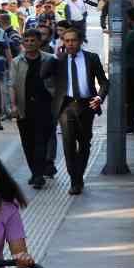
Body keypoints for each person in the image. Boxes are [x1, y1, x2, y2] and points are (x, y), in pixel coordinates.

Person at [48, 25, 107, 195]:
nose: (70, 44)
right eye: (67, 41)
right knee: (68, 143)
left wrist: (99, 97)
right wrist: (56, 56)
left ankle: (78, 175)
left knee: (85, 142)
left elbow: (104, 82)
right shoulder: (59, 59)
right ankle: (74, 180)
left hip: (86, 105)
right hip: (66, 106)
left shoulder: (92, 58)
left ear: (80, 41)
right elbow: (44, 74)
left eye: (74, 40)